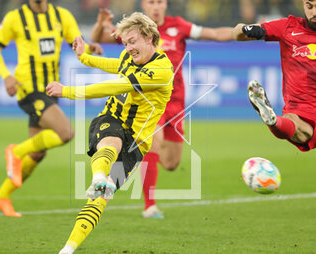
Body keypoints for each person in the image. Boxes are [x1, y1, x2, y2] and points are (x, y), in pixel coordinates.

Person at [91, 0, 233, 218]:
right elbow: (98, 39)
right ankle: (149, 205)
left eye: (159, 2)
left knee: (172, 163)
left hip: (176, 102)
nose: (156, 6)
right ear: (144, 6)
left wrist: (246, 32)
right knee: (152, 144)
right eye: (151, 2)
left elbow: (214, 34)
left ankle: (122, 173)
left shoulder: (179, 26)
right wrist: (101, 24)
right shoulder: (136, 31)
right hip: (148, 102)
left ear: (165, 5)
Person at [46, 12, 173, 254]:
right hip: (110, 120)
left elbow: (118, 84)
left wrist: (68, 91)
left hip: (136, 143)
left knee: (99, 201)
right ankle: (97, 179)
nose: (128, 48)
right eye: (125, 43)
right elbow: (114, 65)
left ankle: (68, 249)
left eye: (133, 41)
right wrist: (85, 58)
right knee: (111, 143)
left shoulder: (162, 70)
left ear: (149, 38)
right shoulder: (129, 56)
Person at [0, 0, 102, 217]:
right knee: (66, 133)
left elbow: (76, 43)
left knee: (38, 153)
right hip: (28, 88)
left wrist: (88, 47)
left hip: (51, 90)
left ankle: (1, 196)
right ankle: (16, 151)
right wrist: (6, 75)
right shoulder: (15, 18)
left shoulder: (62, 16)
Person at [232, 0, 316, 152]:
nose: (314, 13)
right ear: (303, 4)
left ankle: (276, 122)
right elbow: (237, 33)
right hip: (300, 109)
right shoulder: (289, 27)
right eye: (309, 7)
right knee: (299, 128)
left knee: (302, 132)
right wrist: (248, 29)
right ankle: (273, 120)